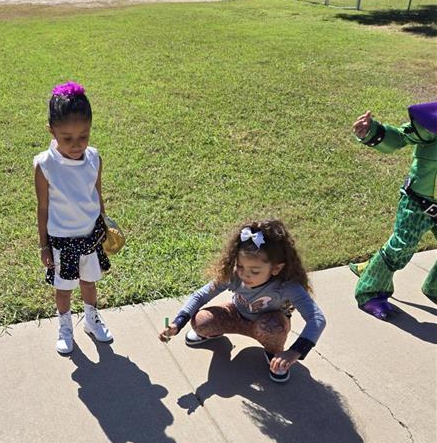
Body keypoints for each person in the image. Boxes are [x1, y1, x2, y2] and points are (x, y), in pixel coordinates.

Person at [159, 219, 326, 383]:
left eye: (255, 270)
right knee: (201, 322)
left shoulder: (287, 286)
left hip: (267, 325)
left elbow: (316, 319)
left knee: (274, 328)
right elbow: (200, 295)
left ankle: (274, 354)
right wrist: (177, 323)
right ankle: (214, 331)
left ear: (276, 268)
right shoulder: (233, 276)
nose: (245, 275)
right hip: (235, 315)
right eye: (240, 266)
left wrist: (294, 352)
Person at [34, 82, 113, 355]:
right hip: (61, 242)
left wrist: (106, 225)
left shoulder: (94, 158)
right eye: (67, 138)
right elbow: (43, 208)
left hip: (90, 237)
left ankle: (92, 319)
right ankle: (65, 326)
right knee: (64, 289)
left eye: (84, 136)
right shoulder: (45, 165)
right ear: (51, 131)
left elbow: (97, 194)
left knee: (89, 282)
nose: (76, 144)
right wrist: (44, 245)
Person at [350, 102, 437, 319]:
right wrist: (372, 131)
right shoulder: (432, 122)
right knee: (400, 249)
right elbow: (400, 137)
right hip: (419, 204)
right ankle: (370, 293)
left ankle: (435, 287)